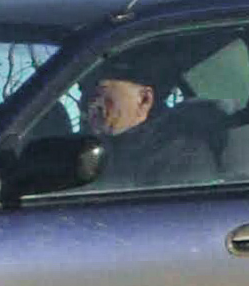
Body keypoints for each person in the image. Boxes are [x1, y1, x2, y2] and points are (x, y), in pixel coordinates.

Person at [81, 58, 219, 189]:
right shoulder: (91, 151)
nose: (87, 103)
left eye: (99, 91)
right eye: (84, 92)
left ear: (144, 99)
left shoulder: (182, 154)